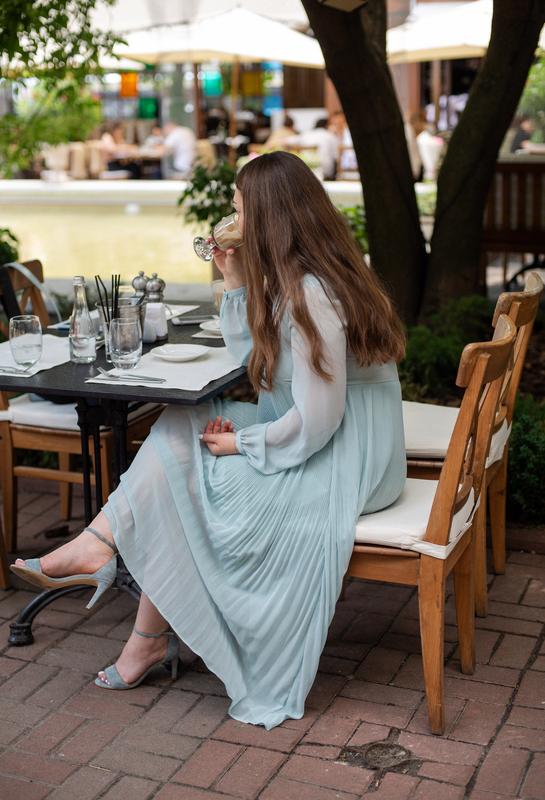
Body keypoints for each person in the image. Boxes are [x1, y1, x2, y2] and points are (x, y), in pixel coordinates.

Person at [11, 152, 406, 731]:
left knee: (185, 478)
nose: (232, 220)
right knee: (181, 426)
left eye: (239, 210)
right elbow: (256, 365)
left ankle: (130, 606)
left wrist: (246, 445)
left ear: (269, 218)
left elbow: (320, 419)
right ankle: (106, 551)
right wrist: (237, 283)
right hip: (331, 436)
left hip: (348, 458)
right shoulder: (303, 279)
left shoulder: (313, 294)